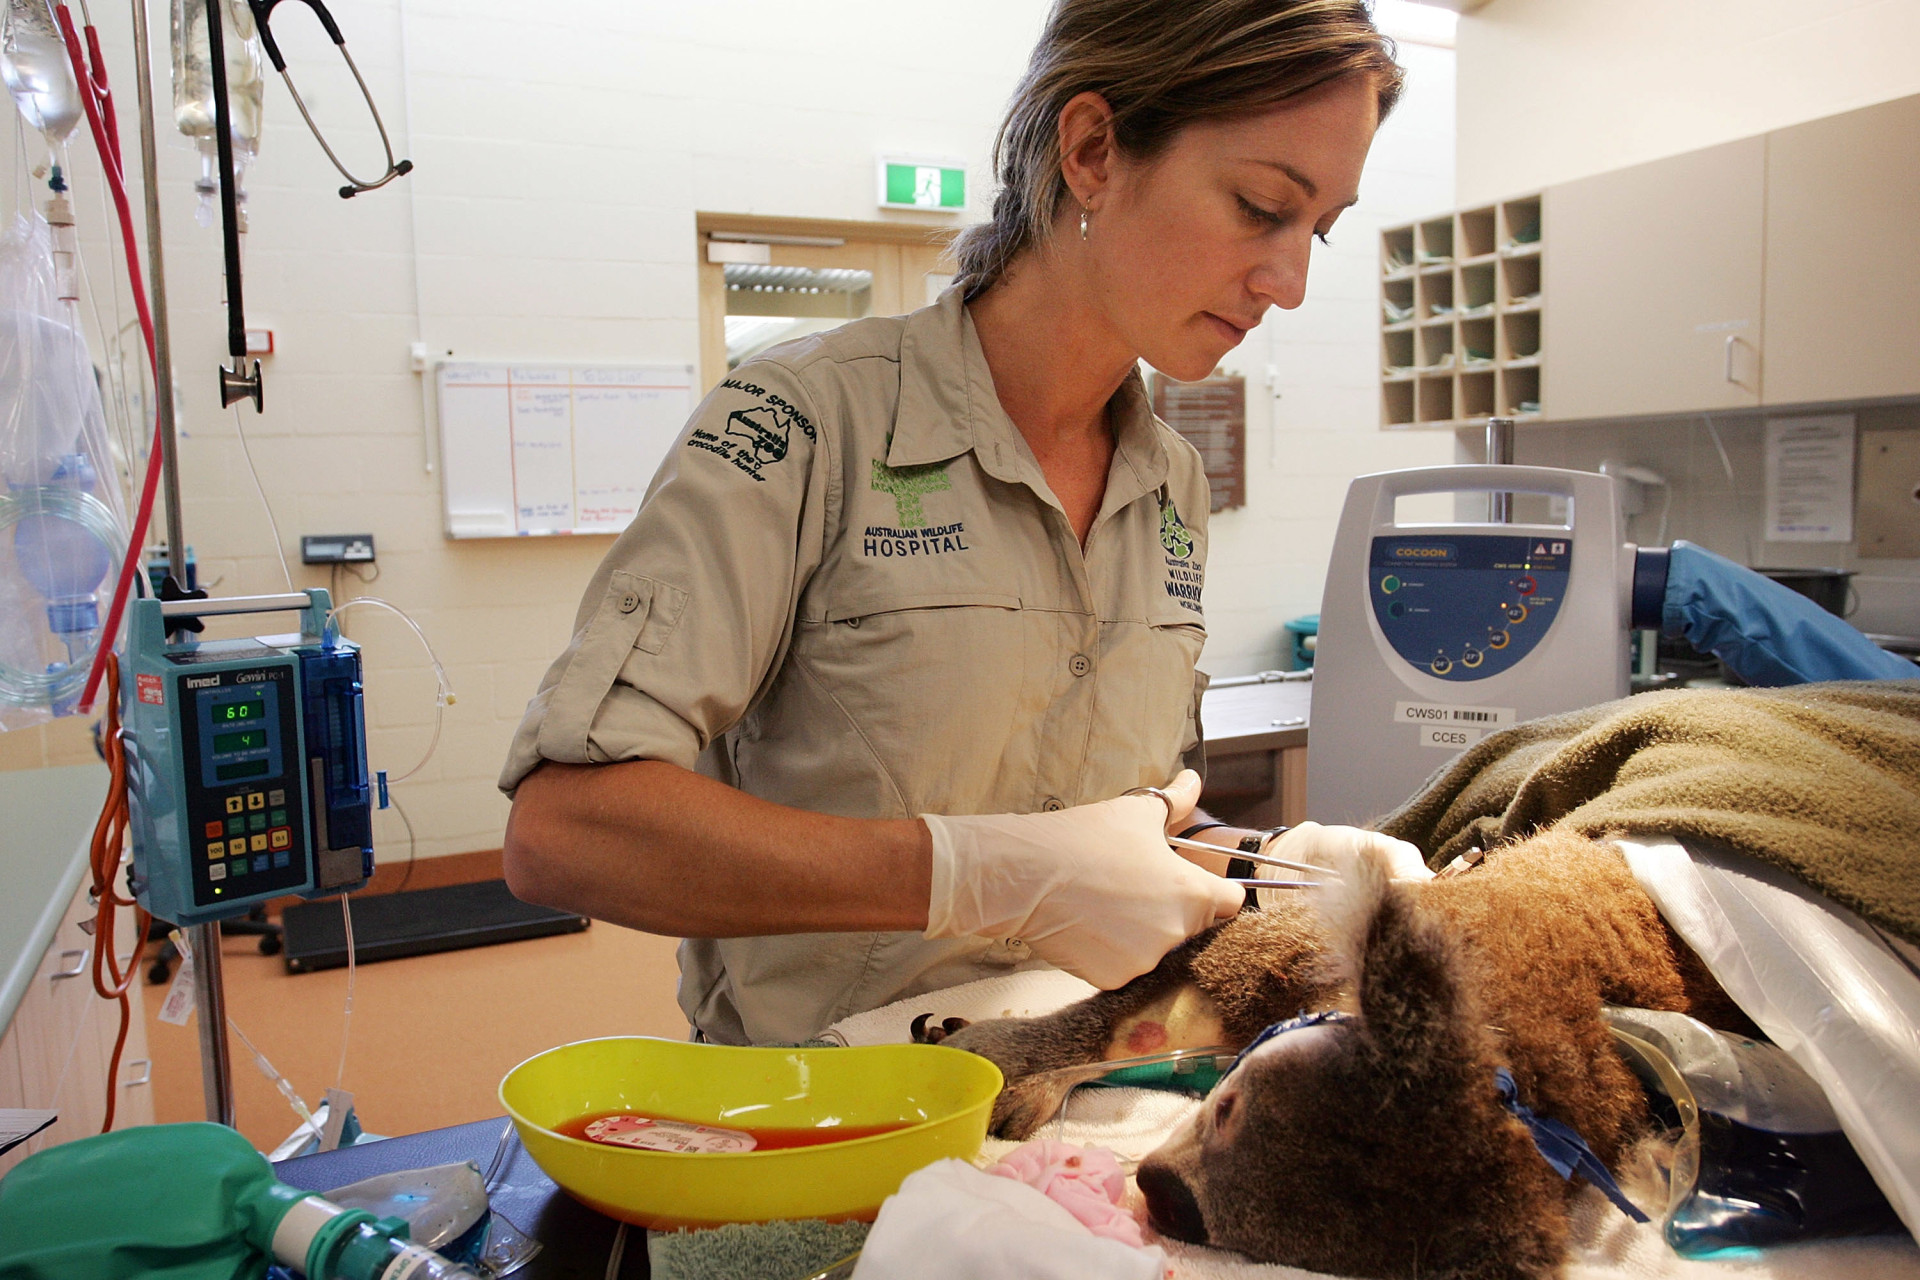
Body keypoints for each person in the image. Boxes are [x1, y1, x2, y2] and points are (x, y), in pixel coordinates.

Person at [500, 0, 1407, 1045]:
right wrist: (970, 874)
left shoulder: (1169, 485)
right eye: (1259, 205)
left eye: (1319, 230)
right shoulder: (807, 423)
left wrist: (1282, 858)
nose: (1288, 283)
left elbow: (1122, 833)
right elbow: (566, 831)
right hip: (834, 1117)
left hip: (1077, 1094)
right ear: (1093, 150)